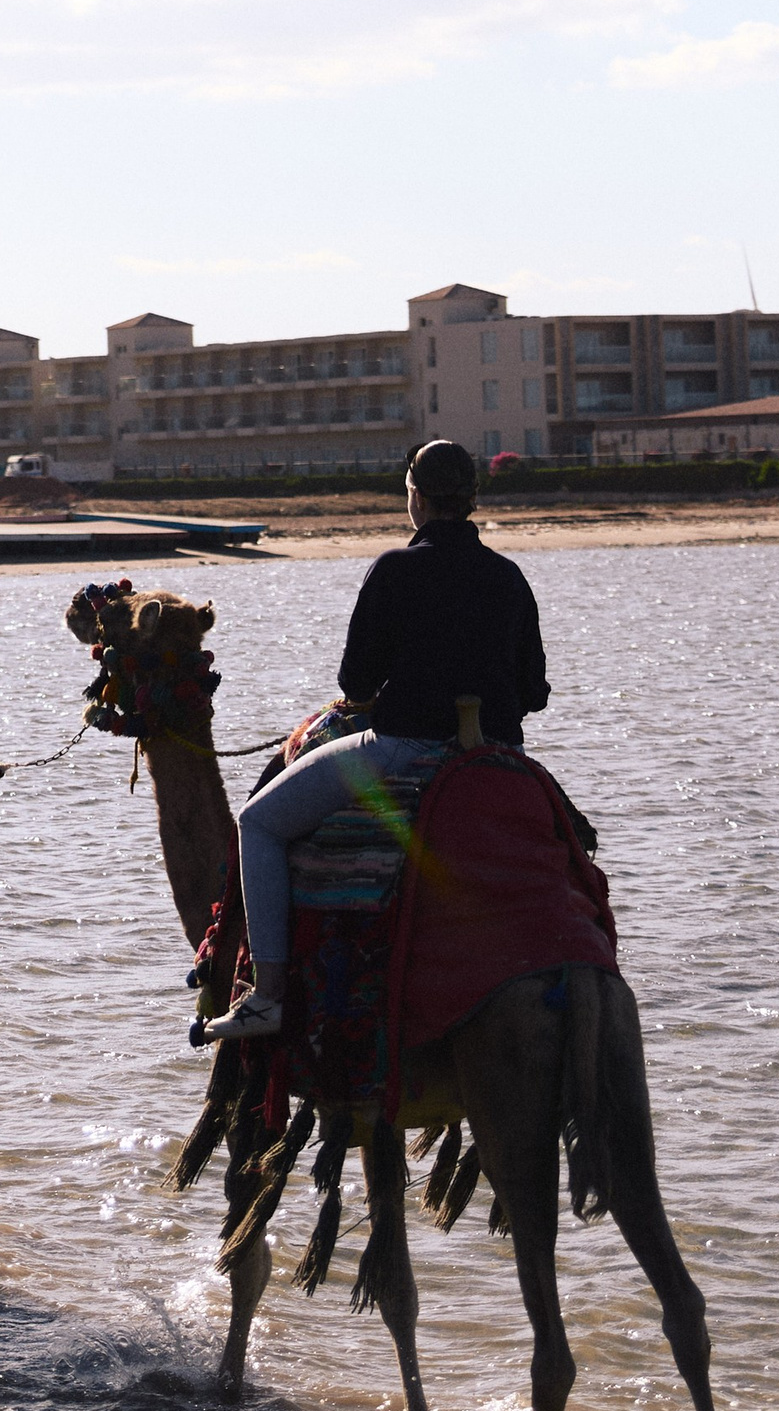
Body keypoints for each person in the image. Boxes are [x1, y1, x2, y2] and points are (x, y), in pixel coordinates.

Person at [201, 438, 551, 1043]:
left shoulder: (394, 568)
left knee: (257, 823)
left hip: (402, 749)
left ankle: (270, 995)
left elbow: (354, 683)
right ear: (470, 499)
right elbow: (535, 693)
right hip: (499, 759)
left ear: (414, 496)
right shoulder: (509, 575)